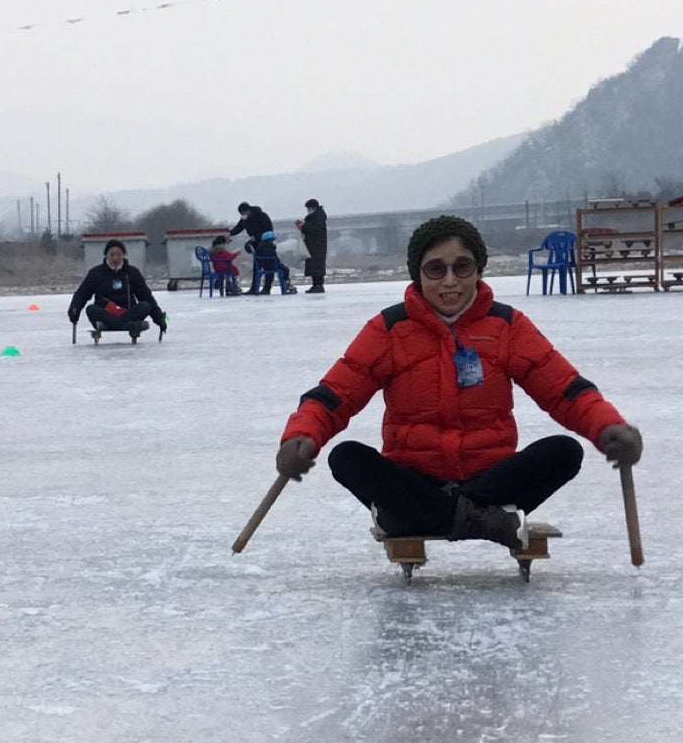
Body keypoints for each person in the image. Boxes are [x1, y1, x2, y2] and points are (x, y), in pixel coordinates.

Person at [274, 215, 642, 550]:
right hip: (414, 480)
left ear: (478, 271)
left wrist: (608, 427)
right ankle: (479, 519)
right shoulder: (388, 329)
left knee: (564, 451)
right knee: (347, 457)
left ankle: (439, 513)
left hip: (490, 481)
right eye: (436, 269)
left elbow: (566, 389)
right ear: (417, 275)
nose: (450, 281)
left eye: (461, 267)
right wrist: (301, 436)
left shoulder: (507, 326)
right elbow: (335, 393)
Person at [69, 239, 169, 336]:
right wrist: (74, 310)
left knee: (145, 306)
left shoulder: (132, 272)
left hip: (128, 312)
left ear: (123, 255)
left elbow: (147, 297)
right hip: (105, 313)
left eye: (118, 255)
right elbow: (81, 295)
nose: (115, 258)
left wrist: (160, 319)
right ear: (106, 255)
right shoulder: (95, 273)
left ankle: (114, 324)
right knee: (90, 309)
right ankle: (125, 325)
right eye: (112, 255)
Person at [228, 202, 287, 294]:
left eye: (244, 213)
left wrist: (257, 237)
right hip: (255, 245)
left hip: (266, 244)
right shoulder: (245, 219)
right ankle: (254, 288)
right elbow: (238, 228)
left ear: (248, 210)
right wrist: (229, 233)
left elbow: (268, 230)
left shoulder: (262, 216)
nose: (243, 216)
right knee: (257, 267)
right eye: (241, 214)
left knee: (269, 266)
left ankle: (267, 288)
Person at [297, 198, 328, 292]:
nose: (308, 211)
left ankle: (319, 285)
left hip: (318, 246)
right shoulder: (311, 218)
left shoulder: (319, 218)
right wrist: (302, 227)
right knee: (313, 266)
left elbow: (316, 230)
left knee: (318, 265)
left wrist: (304, 226)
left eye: (309, 208)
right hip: (311, 245)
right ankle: (315, 284)